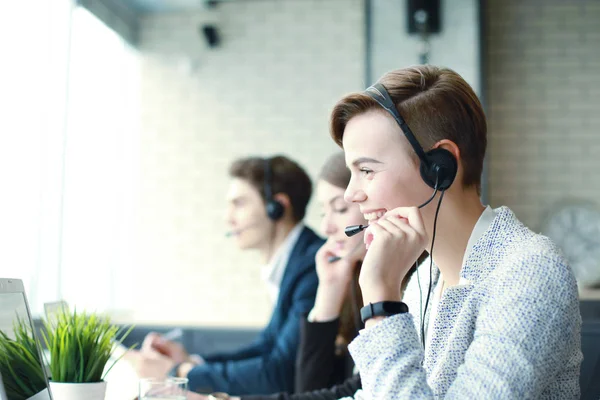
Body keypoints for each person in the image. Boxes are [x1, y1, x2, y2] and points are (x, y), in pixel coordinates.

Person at [327, 65, 582, 399]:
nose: (350, 194)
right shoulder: (425, 278)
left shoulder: (529, 274)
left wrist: (380, 303)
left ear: (440, 166)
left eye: (366, 170)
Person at [186, 152, 420, 400]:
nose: (326, 228)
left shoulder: (400, 286)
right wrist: (328, 294)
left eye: (340, 209)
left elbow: (289, 374)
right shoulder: (347, 276)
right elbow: (309, 388)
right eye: (323, 213)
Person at [128, 155, 324, 396]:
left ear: (278, 207)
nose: (228, 218)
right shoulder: (295, 261)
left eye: (239, 203)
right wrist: (193, 362)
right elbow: (266, 347)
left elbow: (279, 372)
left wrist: (179, 371)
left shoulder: (313, 265)